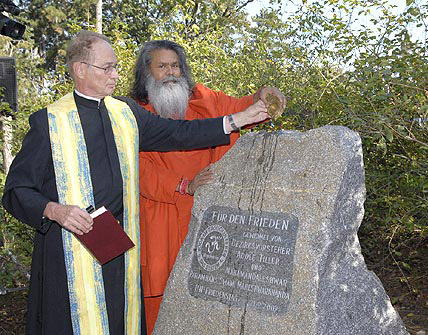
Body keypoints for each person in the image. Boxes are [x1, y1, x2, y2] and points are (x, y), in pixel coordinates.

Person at [1, 31, 270, 335]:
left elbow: (179, 133)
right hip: (68, 250)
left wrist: (238, 119)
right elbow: (16, 191)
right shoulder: (48, 123)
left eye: (116, 66)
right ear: (80, 69)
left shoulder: (126, 112)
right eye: (107, 68)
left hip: (118, 247)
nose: (115, 74)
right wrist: (53, 210)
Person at [130, 39, 286, 333]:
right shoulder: (133, 113)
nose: (171, 72)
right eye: (162, 66)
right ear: (146, 73)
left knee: (206, 295)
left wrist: (260, 97)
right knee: (160, 302)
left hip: (205, 216)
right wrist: (182, 185)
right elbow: (134, 168)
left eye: (175, 65)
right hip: (160, 218)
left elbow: (238, 109)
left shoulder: (202, 98)